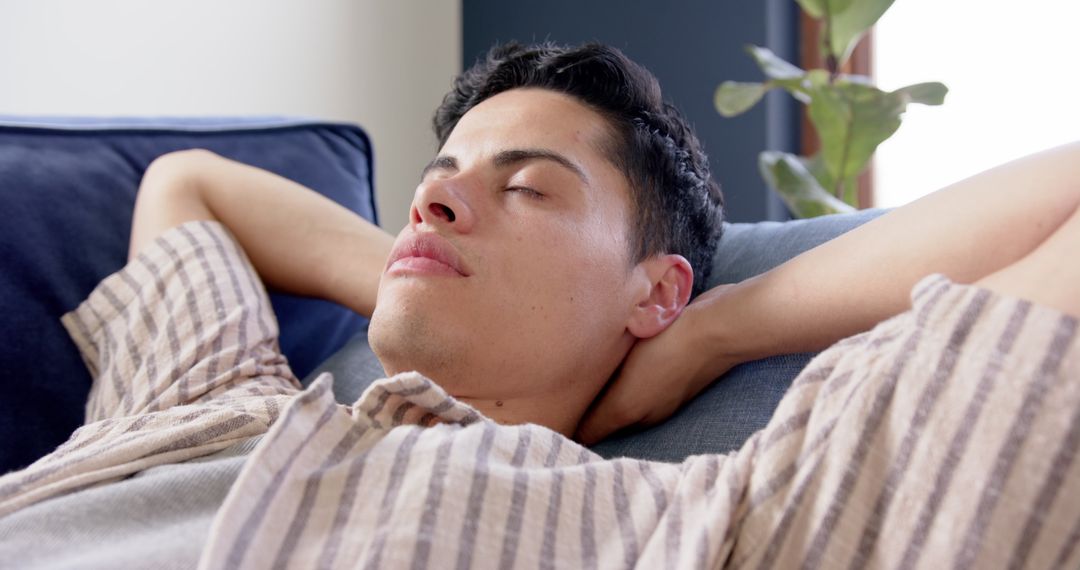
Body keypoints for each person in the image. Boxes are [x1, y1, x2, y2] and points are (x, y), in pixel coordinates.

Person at [0, 42, 1077, 569]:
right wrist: (418, 266)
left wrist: (718, 331)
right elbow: (190, 182)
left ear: (656, 290)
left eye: (526, 187)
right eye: (438, 179)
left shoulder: (689, 526)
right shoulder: (207, 401)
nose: (432, 199)